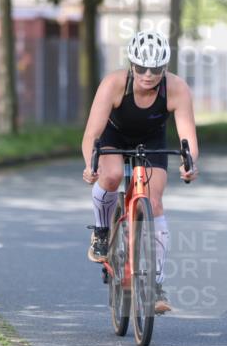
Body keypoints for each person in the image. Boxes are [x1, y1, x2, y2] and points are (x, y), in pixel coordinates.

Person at [81, 31, 199, 314]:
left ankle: (156, 285)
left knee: (154, 203)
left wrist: (190, 164)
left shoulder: (176, 88)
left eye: (155, 69)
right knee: (111, 176)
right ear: (131, 64)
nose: (148, 75)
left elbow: (188, 138)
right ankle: (101, 230)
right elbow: (91, 134)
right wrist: (90, 165)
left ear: (165, 68)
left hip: (151, 141)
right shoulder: (114, 84)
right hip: (114, 137)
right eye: (142, 68)